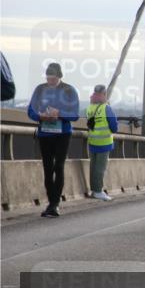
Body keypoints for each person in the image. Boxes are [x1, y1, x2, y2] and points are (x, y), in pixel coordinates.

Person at [28, 62, 80, 217]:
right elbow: (30, 110)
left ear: (59, 77)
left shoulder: (69, 90)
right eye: (48, 79)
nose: (50, 82)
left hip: (62, 134)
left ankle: (55, 203)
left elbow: (75, 115)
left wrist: (60, 113)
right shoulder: (40, 89)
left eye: (53, 79)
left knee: (59, 166)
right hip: (45, 133)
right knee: (47, 168)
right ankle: (51, 202)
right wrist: (39, 116)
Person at [85, 84, 118, 202]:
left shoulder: (90, 108)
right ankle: (99, 191)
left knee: (93, 167)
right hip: (104, 142)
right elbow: (114, 127)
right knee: (100, 168)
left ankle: (94, 190)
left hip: (92, 141)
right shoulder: (106, 108)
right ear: (104, 94)